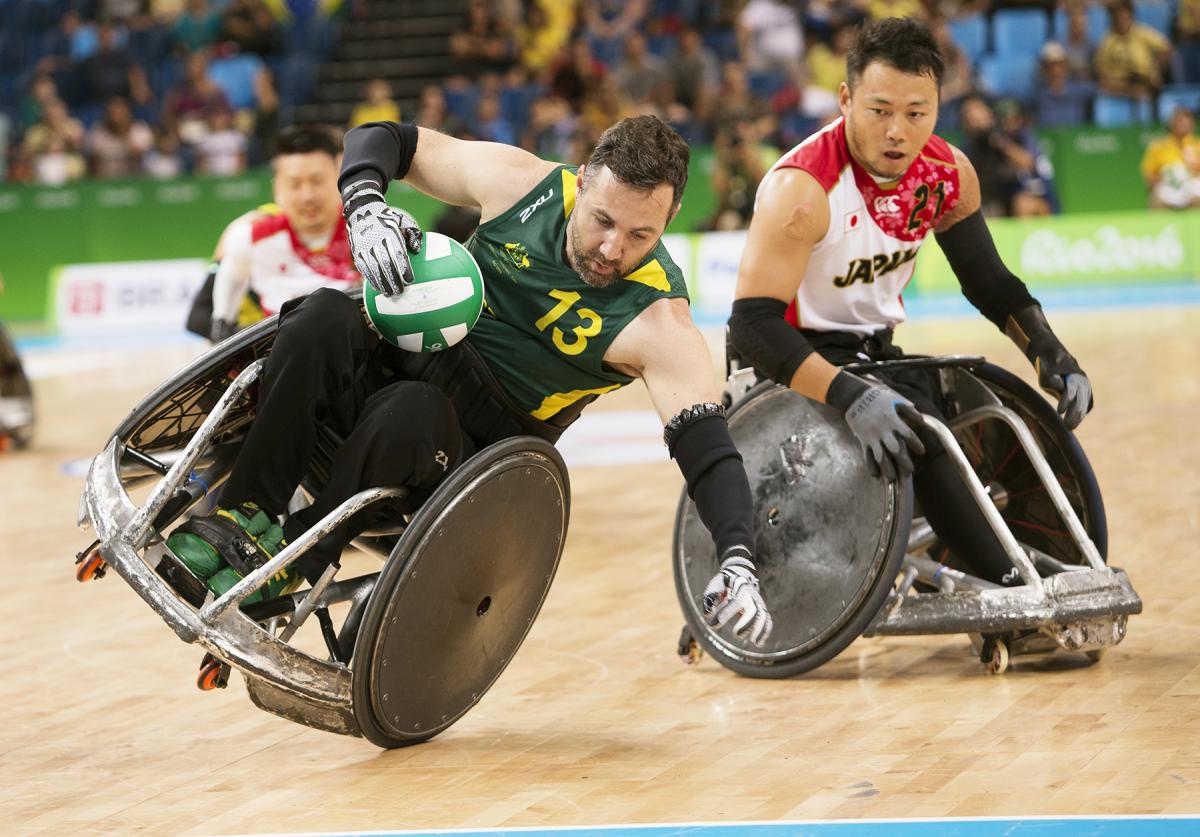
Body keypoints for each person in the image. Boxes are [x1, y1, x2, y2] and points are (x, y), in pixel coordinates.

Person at [167, 115, 775, 644]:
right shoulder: (523, 184)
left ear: (669, 221)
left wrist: (738, 557)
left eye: (641, 235)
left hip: (468, 449)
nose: (613, 250)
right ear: (583, 179)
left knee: (412, 408)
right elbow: (380, 138)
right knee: (322, 314)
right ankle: (244, 513)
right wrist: (366, 207)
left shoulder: (659, 322)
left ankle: (295, 556)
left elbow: (711, 455)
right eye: (602, 221)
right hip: (400, 358)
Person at [728, 18, 1093, 587]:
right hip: (785, 361)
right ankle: (1012, 587)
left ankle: (1048, 559)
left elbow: (989, 283)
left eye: (916, 113)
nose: (897, 130)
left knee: (976, 416)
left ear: (939, 108)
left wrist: (1051, 351)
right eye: (879, 111)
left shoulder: (946, 173)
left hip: (874, 354)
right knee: (918, 433)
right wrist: (848, 394)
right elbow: (751, 326)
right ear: (845, 99)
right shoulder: (801, 190)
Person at [184, 124, 357, 342]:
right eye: (295, 184)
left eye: (317, 180)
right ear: (278, 188)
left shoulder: (365, 229)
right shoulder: (249, 232)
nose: (307, 196)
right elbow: (200, 316)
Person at [1140, 106, 1200, 209]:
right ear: (1172, 125)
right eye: (1180, 122)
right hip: (1167, 188)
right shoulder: (1158, 146)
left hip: (1191, 187)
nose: (1184, 126)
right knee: (1156, 199)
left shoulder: (1197, 145)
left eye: (1187, 123)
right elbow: (1149, 175)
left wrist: (1191, 167)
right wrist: (1167, 178)